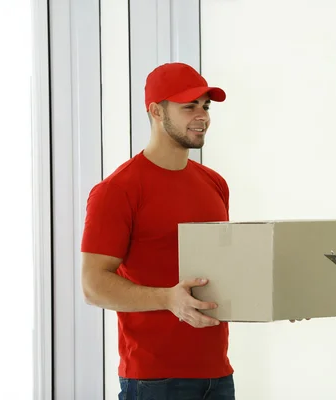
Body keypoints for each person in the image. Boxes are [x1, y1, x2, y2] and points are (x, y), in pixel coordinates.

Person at [81, 62, 236, 399]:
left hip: (218, 374)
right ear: (155, 111)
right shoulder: (118, 190)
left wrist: (276, 300)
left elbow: (221, 271)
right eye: (188, 106)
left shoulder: (214, 183)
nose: (202, 115)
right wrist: (167, 299)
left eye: (206, 105)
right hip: (154, 380)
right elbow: (93, 286)